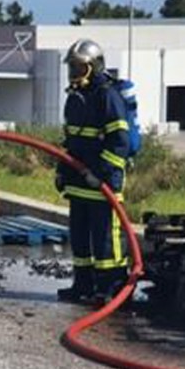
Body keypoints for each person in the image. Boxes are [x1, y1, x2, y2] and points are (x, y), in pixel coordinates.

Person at [55, 39, 130, 305]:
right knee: (80, 238)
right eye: (72, 67)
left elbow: (119, 141)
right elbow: (71, 139)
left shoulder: (106, 96)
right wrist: (62, 170)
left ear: (94, 67)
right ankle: (83, 285)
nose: (73, 73)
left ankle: (111, 288)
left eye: (79, 67)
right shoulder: (75, 97)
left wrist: (101, 174)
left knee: (107, 241)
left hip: (102, 183)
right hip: (78, 181)